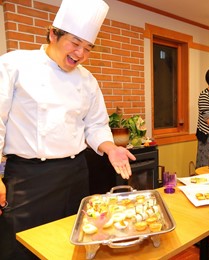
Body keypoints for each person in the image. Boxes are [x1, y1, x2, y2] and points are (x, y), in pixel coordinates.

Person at [0, 0, 136, 258]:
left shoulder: (87, 80)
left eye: (88, 48)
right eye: (75, 43)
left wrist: (110, 148)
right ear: (53, 33)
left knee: (72, 244)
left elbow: (95, 125)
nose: (81, 54)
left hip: (75, 173)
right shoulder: (13, 65)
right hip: (29, 178)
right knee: (22, 248)